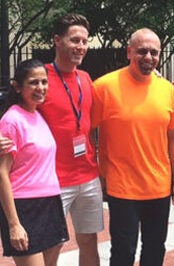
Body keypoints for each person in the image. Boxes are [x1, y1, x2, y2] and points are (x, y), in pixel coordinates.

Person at [91, 28, 174, 266]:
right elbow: (86, 131)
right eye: (142, 51)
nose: (148, 57)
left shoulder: (167, 90)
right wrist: (95, 169)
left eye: (154, 52)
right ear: (128, 52)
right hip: (122, 187)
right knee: (123, 250)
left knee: (155, 249)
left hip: (158, 186)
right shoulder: (104, 87)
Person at [37, 14, 103, 266]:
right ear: (57, 40)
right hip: (52, 180)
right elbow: (16, 113)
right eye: (74, 39)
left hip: (88, 176)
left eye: (85, 41)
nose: (81, 46)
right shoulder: (40, 78)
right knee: (52, 245)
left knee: (89, 240)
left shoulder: (85, 78)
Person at [0, 59, 69, 266]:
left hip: (50, 202)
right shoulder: (12, 121)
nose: (40, 88)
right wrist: (14, 224)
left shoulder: (38, 115)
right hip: (24, 207)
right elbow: (2, 173)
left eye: (44, 82)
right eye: (33, 82)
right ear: (18, 87)